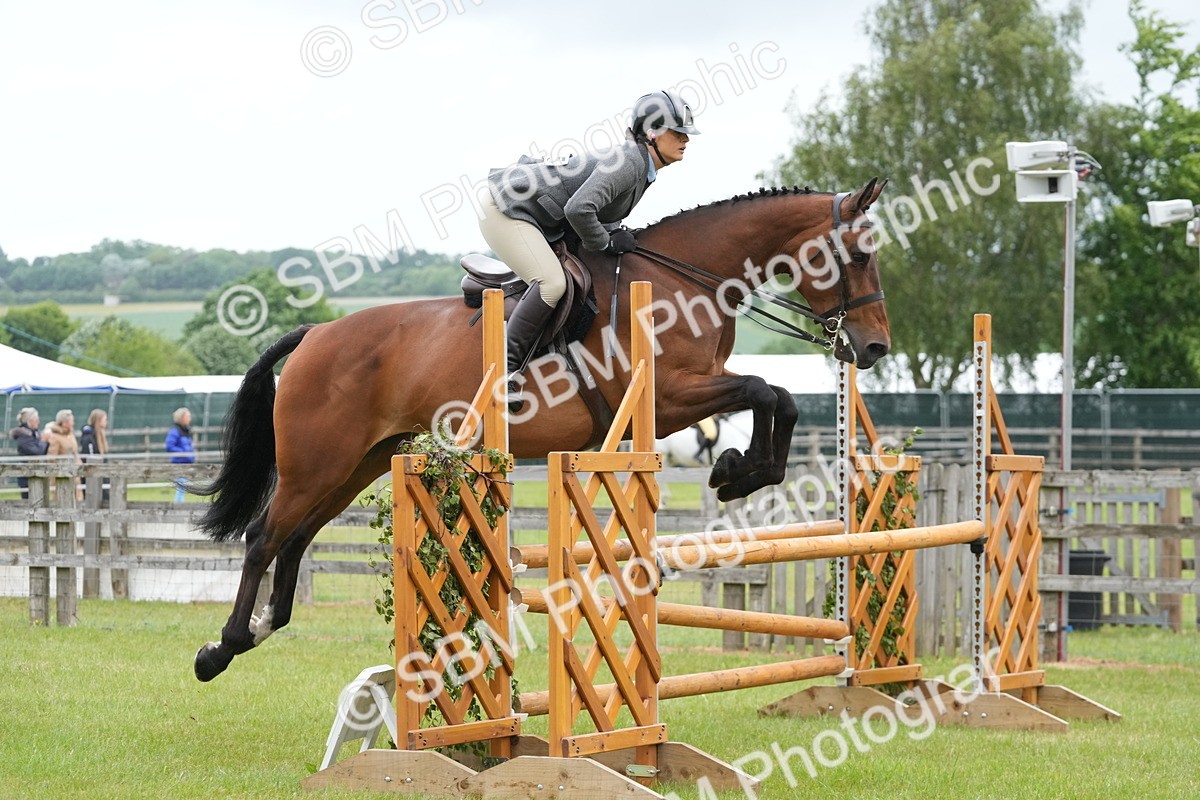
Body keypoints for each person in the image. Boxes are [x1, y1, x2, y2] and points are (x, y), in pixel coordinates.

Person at [481, 89, 699, 410]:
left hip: (539, 216)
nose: (685, 139)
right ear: (652, 134)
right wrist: (607, 242)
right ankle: (505, 371)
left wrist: (615, 234)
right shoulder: (630, 161)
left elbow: (598, 211)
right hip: (506, 209)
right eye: (677, 132)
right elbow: (579, 209)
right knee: (552, 283)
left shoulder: (641, 164)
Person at [9, 407, 49, 499]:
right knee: (29, 503)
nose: (38, 422)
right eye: (36, 419)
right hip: (27, 476)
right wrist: (44, 441)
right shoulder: (23, 436)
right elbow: (36, 452)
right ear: (30, 421)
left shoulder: (34, 433)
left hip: (36, 473)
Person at [79, 409, 110, 503]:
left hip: (101, 472)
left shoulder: (99, 435)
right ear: (98, 420)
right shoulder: (88, 437)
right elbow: (89, 456)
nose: (106, 422)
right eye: (104, 420)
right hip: (92, 473)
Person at [165, 407, 195, 502]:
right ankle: (178, 507)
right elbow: (169, 446)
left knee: (182, 488)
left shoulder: (186, 431)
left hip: (186, 463)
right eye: (187, 416)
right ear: (181, 418)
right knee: (181, 489)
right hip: (179, 464)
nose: (190, 418)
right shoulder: (175, 431)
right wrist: (184, 453)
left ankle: (179, 506)